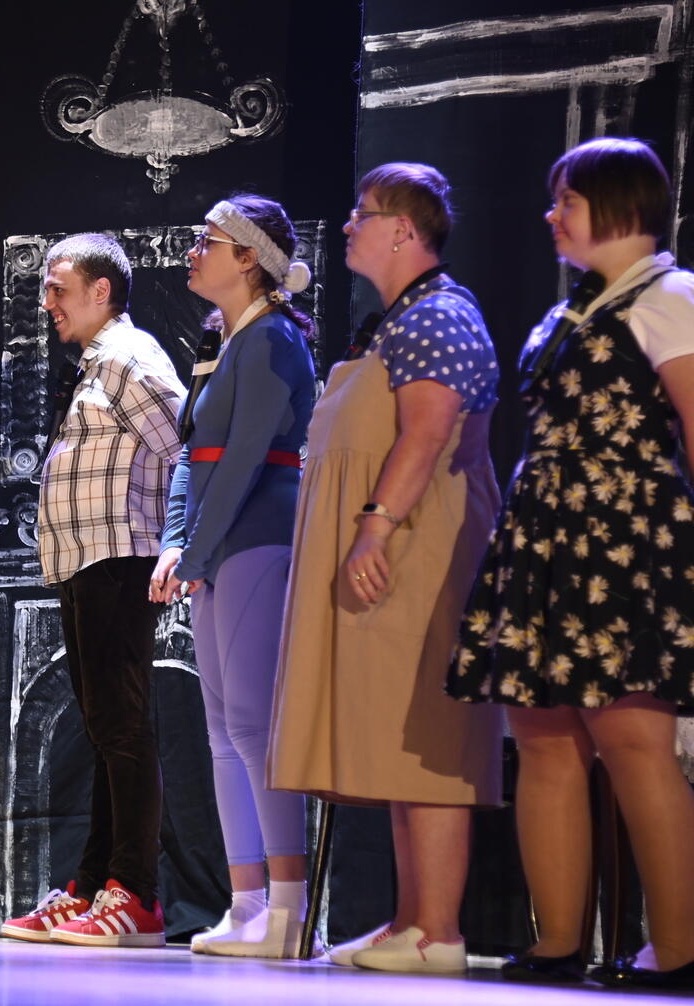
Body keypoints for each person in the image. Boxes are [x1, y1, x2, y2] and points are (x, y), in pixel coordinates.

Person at [447, 137, 694, 991]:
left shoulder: (676, 297)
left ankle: (677, 951)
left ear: (618, 204)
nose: (552, 215)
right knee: (543, 739)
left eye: (568, 201)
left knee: (633, 741)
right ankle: (558, 942)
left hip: (623, 535)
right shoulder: (577, 307)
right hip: (547, 534)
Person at [266, 163, 504, 973]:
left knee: (429, 730)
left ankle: (438, 932)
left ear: (404, 229)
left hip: (420, 543)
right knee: (400, 732)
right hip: (394, 544)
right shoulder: (393, 322)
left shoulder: (439, 314)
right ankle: (412, 920)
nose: (347, 226)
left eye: (361, 213)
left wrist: (373, 528)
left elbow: (428, 432)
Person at [0, 233, 185, 947]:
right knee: (107, 729)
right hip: (85, 561)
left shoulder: (128, 357)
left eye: (59, 288)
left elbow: (189, 448)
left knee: (123, 727)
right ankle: (93, 885)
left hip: (118, 558)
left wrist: (181, 540)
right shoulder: (96, 364)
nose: (48, 302)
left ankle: (135, 894)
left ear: (101, 292)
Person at [150, 195, 318, 958]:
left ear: (248, 258)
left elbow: (248, 458)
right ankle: (246, 904)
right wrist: (175, 543)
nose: (194, 251)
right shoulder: (224, 340)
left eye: (207, 241)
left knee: (253, 725)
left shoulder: (276, 339)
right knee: (223, 732)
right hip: (216, 545)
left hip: (256, 539)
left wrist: (196, 552)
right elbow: (194, 453)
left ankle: (290, 909)